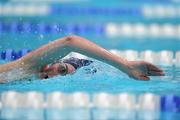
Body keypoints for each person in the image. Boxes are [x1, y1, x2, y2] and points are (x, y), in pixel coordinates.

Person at [0, 36, 164, 83]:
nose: (52, 73)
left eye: (61, 74)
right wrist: (126, 65)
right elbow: (70, 42)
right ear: (53, 60)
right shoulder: (28, 66)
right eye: (62, 69)